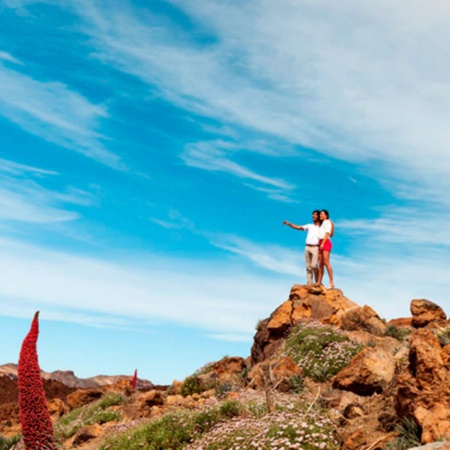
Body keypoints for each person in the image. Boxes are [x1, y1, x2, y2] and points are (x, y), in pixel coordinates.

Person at [283, 210, 321, 284]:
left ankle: (317, 281)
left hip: (316, 247)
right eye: (313, 215)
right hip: (307, 247)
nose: (313, 216)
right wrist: (289, 224)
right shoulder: (310, 226)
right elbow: (299, 227)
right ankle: (309, 282)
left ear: (319, 216)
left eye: (315, 215)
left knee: (314, 266)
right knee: (308, 267)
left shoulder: (321, 227)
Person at [317, 209, 335, 289]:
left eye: (322, 214)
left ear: (326, 215)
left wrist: (323, 243)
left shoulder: (327, 222)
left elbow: (328, 233)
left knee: (326, 262)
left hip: (325, 242)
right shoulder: (322, 224)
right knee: (320, 264)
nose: (321, 215)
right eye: (320, 214)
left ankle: (331, 282)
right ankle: (318, 282)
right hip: (320, 242)